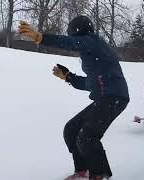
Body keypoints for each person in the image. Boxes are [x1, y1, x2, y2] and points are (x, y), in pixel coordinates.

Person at [18, 15, 129, 180]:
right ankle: (83, 170)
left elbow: (73, 43)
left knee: (87, 136)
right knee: (71, 130)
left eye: (72, 35)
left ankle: (100, 175)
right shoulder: (93, 56)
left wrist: (40, 37)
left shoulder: (92, 41)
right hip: (105, 98)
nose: (72, 39)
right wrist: (69, 77)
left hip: (114, 97)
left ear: (78, 32)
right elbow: (90, 84)